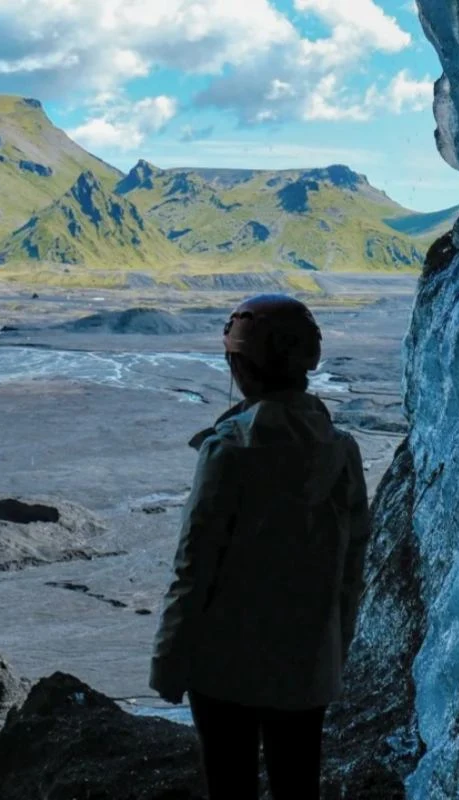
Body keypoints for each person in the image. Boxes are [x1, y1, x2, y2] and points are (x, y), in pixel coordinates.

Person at [149, 294, 371, 800]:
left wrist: (168, 664)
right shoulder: (341, 453)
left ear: (242, 367)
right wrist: (335, 651)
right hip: (307, 665)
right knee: (298, 786)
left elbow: (194, 567)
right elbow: (352, 564)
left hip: (224, 671)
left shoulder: (228, 453)